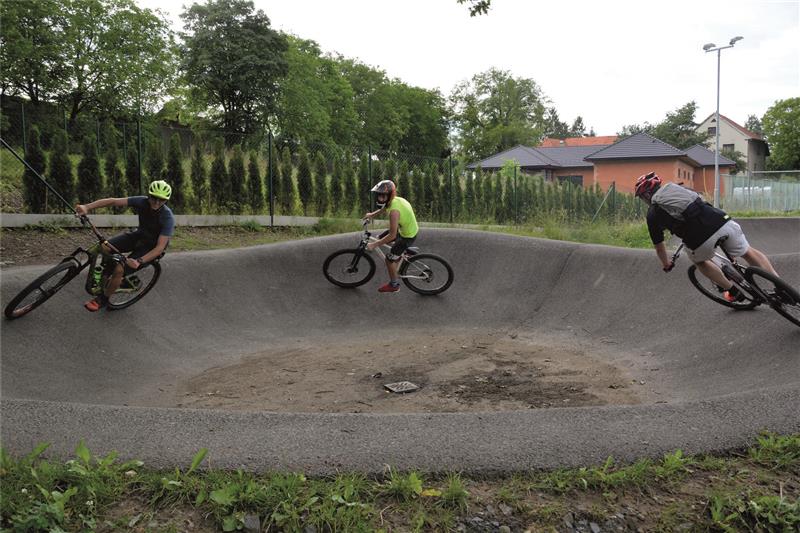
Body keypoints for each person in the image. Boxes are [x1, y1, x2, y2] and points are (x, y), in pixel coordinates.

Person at [634, 172, 778, 302]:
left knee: (700, 262)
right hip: (722, 221)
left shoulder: (652, 214)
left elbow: (659, 247)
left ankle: (733, 291)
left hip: (699, 241)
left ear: (646, 196)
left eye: (642, 197)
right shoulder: (680, 189)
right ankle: (779, 284)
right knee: (748, 251)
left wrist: (666, 264)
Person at [75, 180, 175, 311]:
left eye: (161, 200)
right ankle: (106, 273)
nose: (156, 202)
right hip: (139, 236)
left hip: (151, 248)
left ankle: (103, 299)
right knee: (104, 247)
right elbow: (113, 201)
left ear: (166, 200)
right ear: (149, 195)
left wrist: (139, 261)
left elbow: (159, 248)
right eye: (154, 198)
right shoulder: (142, 201)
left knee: (119, 269)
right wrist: (87, 207)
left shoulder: (167, 218)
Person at [363, 179, 419, 293]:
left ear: (389, 195)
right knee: (381, 238)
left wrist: (374, 245)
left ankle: (394, 285)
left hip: (407, 236)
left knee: (389, 260)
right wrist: (372, 215)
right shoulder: (395, 200)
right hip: (407, 228)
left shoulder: (394, 211)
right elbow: (385, 208)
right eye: (379, 195)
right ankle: (401, 253)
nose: (380, 198)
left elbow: (392, 235)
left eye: (383, 196)